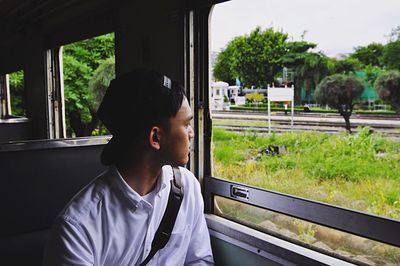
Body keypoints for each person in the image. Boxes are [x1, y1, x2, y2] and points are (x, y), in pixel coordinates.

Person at [43, 68, 214, 265]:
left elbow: (199, 260)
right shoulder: (77, 227)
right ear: (155, 137)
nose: (191, 133)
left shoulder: (186, 186)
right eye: (186, 125)